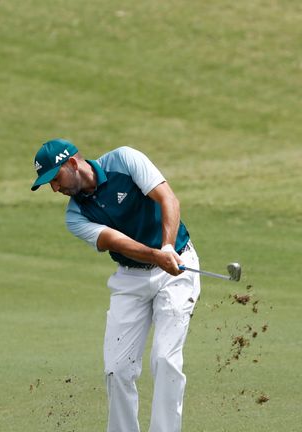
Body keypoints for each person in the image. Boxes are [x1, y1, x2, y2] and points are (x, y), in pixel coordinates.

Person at [30, 138, 200, 432]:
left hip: (178, 267)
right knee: (117, 369)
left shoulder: (125, 159)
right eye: (49, 184)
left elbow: (168, 199)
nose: (55, 189)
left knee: (164, 359)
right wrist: (157, 255)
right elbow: (116, 241)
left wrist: (168, 247)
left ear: (72, 163)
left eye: (55, 179)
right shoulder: (75, 216)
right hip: (130, 278)